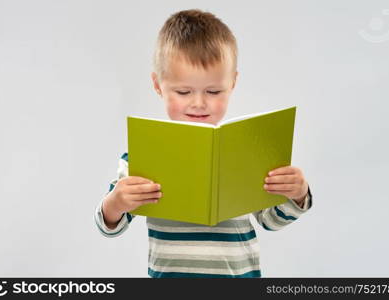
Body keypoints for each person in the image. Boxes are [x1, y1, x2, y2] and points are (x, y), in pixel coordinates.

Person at [94, 8, 313, 278]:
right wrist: (115, 203)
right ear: (158, 84)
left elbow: (271, 220)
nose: (198, 103)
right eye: (183, 91)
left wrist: (297, 194)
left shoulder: (246, 154)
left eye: (213, 91)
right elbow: (109, 226)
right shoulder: (142, 156)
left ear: (232, 83)